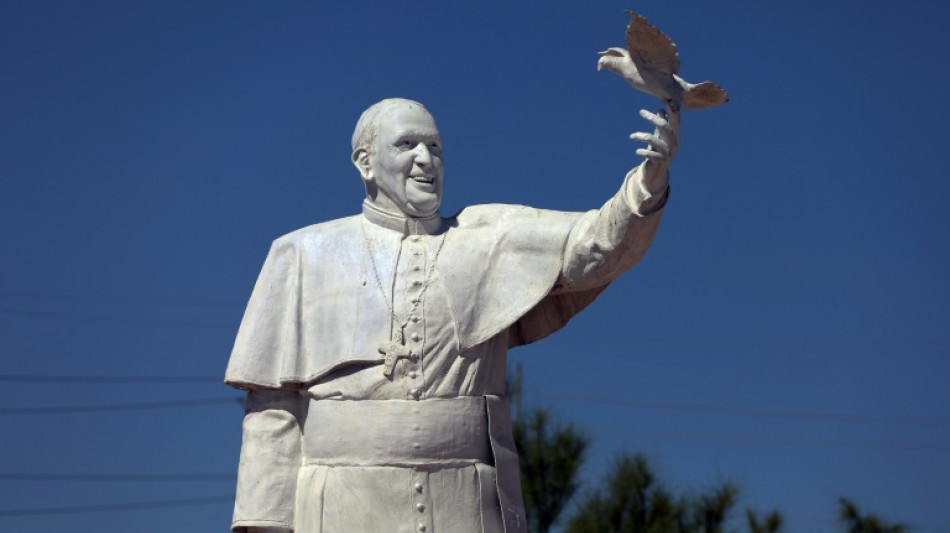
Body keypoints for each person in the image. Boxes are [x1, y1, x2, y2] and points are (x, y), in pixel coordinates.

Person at [225, 97, 679, 533]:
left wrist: (649, 182)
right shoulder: (303, 254)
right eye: (407, 145)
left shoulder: (489, 237)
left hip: (464, 502)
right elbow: (272, 411)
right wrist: (266, 525)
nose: (426, 159)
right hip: (341, 504)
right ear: (365, 163)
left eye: (435, 147)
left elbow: (595, 246)